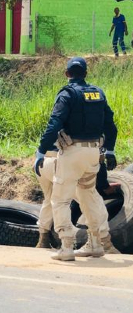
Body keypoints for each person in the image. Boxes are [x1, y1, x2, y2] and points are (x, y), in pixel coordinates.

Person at [34, 56, 118, 261]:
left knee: (60, 199)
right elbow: (111, 124)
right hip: (93, 153)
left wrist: (41, 151)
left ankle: (66, 246)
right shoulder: (98, 93)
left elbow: (54, 124)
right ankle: (96, 244)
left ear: (67, 74)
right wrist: (110, 150)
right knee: (88, 195)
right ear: (86, 73)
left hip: (72, 153)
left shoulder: (67, 94)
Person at [34, 148, 120, 253]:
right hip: (61, 162)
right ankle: (105, 243)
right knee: (89, 200)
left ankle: (43, 239)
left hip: (42, 162)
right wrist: (104, 186)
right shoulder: (96, 133)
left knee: (50, 199)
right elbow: (98, 159)